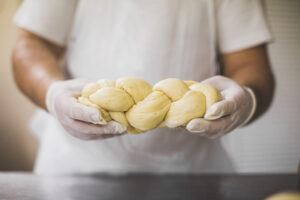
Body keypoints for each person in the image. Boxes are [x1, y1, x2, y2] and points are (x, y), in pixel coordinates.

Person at [12, 0, 275, 174]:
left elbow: (250, 64)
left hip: (191, 173)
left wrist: (247, 100)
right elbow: (31, 45)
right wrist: (52, 92)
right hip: (74, 167)